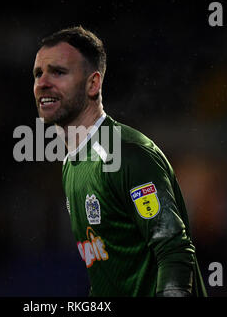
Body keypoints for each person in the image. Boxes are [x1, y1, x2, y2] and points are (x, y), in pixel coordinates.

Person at [32, 26, 207, 297]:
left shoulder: (127, 154)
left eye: (58, 72)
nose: (43, 82)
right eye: (38, 73)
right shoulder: (72, 164)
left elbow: (174, 251)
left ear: (93, 84)